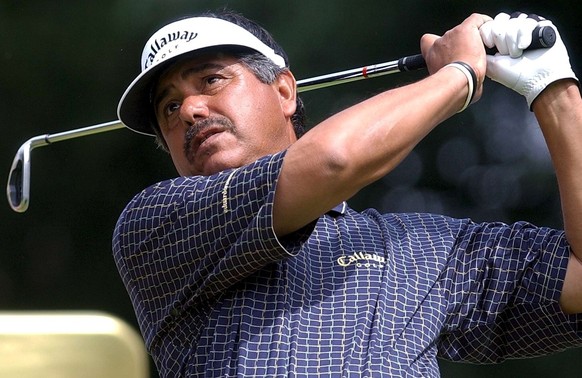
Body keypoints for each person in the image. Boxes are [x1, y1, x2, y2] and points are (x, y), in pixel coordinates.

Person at [112, 9, 582, 377]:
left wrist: (553, 88)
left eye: (211, 80)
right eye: (169, 107)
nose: (190, 110)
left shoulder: (420, 250)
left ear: (284, 91)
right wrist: (459, 75)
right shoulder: (155, 223)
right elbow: (332, 161)